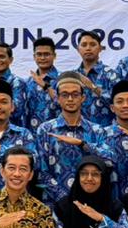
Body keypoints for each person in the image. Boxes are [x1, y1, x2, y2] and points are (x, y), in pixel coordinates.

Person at [38, 71, 111, 204]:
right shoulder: (46, 130)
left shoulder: (96, 130)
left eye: (75, 94)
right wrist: (63, 198)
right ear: (58, 98)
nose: (70, 99)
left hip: (91, 202)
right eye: (65, 95)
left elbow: (110, 161)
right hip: (56, 203)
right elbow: (41, 171)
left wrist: (83, 144)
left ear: (83, 98)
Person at [95, 80, 128, 198]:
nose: (125, 105)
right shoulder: (100, 134)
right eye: (120, 101)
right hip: (110, 200)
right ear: (112, 108)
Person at [0, 41, 30, 128]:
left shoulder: (17, 82)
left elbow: (16, 111)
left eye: (1, 57)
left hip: (12, 133)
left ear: (10, 60)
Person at [75, 29, 116, 125]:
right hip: (79, 130)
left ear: (100, 48)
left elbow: (118, 103)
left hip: (105, 130)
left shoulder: (111, 74)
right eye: (84, 45)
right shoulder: (73, 76)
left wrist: (93, 87)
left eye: (92, 44)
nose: (88, 48)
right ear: (78, 49)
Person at [23, 35, 61, 131]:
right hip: (31, 135)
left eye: (46, 54)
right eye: (39, 54)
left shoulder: (63, 79)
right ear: (34, 57)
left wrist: (46, 86)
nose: (43, 58)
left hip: (56, 134)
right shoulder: (27, 83)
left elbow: (66, 104)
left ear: (54, 56)